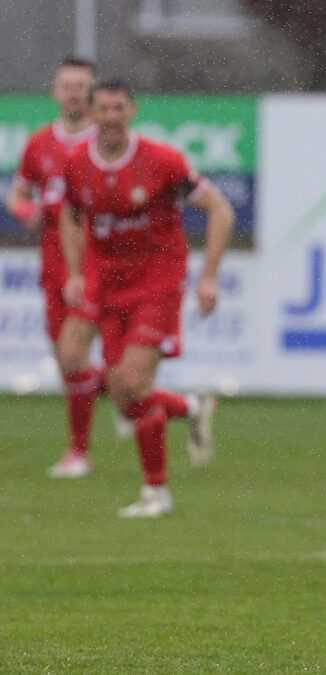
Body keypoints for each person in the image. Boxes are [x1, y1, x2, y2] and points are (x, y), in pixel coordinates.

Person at [59, 79, 234, 518]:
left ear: (132, 111)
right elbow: (70, 213)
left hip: (158, 283)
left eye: (119, 107)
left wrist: (208, 277)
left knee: (134, 381)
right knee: (123, 394)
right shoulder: (78, 164)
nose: (112, 116)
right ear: (92, 114)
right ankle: (190, 406)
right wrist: (77, 271)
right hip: (109, 288)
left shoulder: (162, 160)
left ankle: (156, 493)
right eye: (104, 109)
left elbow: (220, 210)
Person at [5, 57, 124, 478]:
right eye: (66, 85)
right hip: (52, 265)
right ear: (55, 92)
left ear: (92, 95)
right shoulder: (39, 143)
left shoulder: (107, 146)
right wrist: (25, 210)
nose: (73, 92)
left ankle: (79, 453)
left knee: (74, 357)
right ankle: (140, 400)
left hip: (94, 265)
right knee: (67, 360)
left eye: (81, 85)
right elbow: (17, 193)